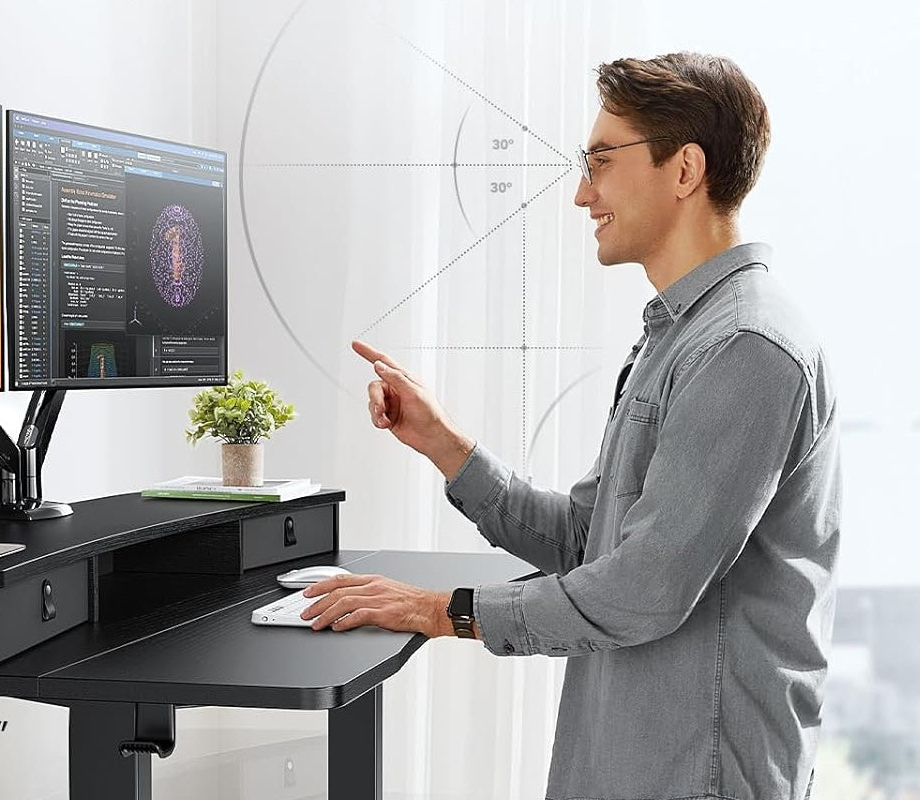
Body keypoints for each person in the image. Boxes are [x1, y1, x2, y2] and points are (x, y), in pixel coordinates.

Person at [300, 52, 840, 800]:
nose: (583, 193)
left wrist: (436, 610)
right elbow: (592, 542)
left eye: (600, 162)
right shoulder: (679, 336)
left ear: (684, 170)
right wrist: (447, 447)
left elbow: (642, 590)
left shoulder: (744, 349)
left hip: (697, 775)